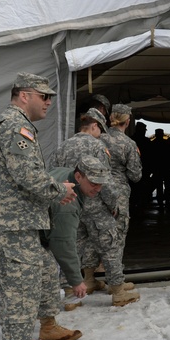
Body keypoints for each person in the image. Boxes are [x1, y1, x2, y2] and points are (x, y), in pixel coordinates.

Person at [0, 73, 78, 340]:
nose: (48, 102)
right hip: (13, 222)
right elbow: (26, 175)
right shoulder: (14, 126)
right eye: (43, 96)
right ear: (24, 96)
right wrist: (60, 189)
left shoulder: (6, 124)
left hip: (8, 220)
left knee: (15, 284)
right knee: (21, 287)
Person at [54, 111, 140, 307]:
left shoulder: (63, 147)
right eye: (99, 129)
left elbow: (56, 174)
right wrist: (113, 205)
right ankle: (118, 290)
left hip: (71, 203)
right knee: (110, 245)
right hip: (96, 205)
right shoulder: (97, 146)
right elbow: (105, 180)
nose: (100, 133)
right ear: (93, 126)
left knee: (73, 246)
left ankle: (72, 292)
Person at [45, 156, 110, 328]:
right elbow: (63, 242)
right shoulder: (68, 201)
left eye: (101, 184)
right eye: (93, 183)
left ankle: (18, 318)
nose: (98, 188)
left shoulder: (64, 173)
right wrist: (75, 280)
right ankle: (41, 326)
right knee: (47, 278)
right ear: (79, 176)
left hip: (20, 229)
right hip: (24, 234)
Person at [95, 104, 143, 309]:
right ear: (127, 121)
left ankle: (94, 278)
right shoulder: (128, 143)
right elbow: (135, 175)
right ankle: (117, 284)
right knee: (118, 236)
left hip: (96, 192)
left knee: (97, 233)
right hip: (119, 194)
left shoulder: (98, 139)